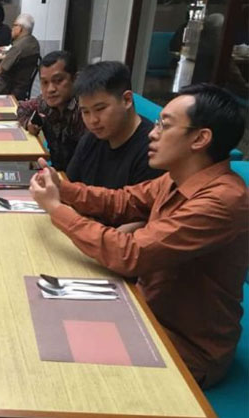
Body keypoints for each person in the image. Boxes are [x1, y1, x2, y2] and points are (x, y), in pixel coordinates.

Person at [29, 83, 249, 388]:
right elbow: (122, 201)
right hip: (143, 310)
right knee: (39, 311)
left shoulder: (222, 201)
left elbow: (130, 254)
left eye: (164, 126)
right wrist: (63, 189)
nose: (152, 133)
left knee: (48, 359)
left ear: (200, 139)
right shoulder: (177, 177)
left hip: (183, 346)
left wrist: (56, 209)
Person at [65, 61, 163, 189]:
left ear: (127, 100)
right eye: (85, 112)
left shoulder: (152, 152)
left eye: (100, 109)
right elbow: (70, 186)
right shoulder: (90, 140)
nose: (93, 120)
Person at [16, 50, 86, 171]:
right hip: (56, 172)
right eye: (45, 82)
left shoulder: (86, 109)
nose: (50, 89)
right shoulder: (44, 103)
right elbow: (22, 108)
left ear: (75, 79)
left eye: (58, 81)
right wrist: (29, 124)